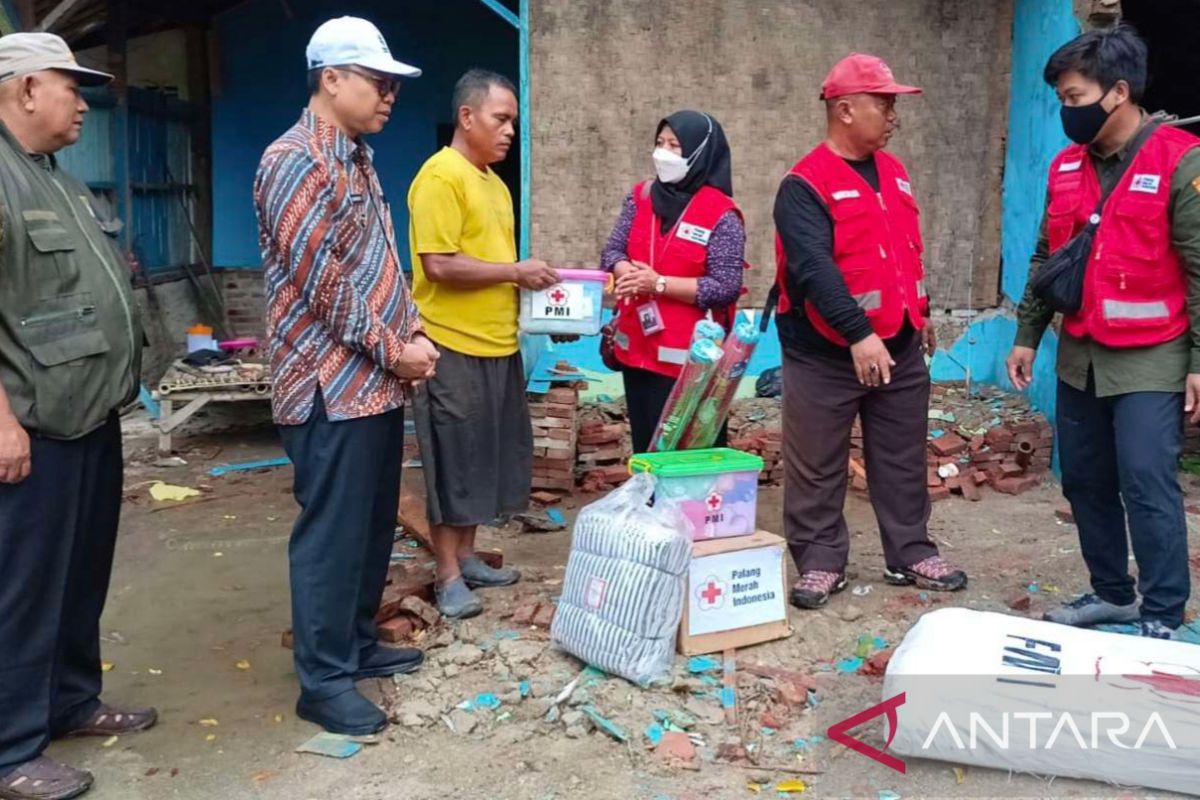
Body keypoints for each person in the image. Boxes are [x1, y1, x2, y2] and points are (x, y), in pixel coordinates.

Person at [254, 16, 438, 736]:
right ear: (331, 79)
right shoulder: (294, 158)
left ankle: (357, 645)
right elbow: (322, 282)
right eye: (377, 80)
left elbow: (380, 264)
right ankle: (323, 680)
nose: (390, 95)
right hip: (329, 384)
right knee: (331, 535)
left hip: (373, 383)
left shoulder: (355, 157)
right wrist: (395, 349)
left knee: (366, 528)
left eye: (393, 84)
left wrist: (412, 328)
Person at [1007, 25, 1200, 639]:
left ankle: (1164, 610)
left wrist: (1199, 361)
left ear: (1118, 92)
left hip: (1153, 356)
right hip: (1080, 353)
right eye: (1061, 100)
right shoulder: (1066, 167)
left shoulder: (1180, 159)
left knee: (1146, 480)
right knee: (1086, 478)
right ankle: (1113, 593)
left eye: (1073, 97)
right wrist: (1026, 335)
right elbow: (1047, 257)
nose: (1067, 111)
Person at [0, 32, 153, 800]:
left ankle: (71, 700)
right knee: (23, 586)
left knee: (80, 573)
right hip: (31, 421)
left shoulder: (53, 175)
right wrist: (0, 422)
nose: (84, 103)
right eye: (70, 85)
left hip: (89, 411)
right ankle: (10, 750)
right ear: (26, 88)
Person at [773, 53, 967, 610]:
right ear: (844, 109)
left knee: (902, 455)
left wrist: (920, 310)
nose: (893, 114)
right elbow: (814, 269)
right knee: (817, 462)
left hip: (899, 342)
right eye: (883, 103)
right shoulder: (803, 184)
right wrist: (859, 334)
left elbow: (904, 252)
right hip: (825, 350)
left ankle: (909, 552)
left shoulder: (896, 172)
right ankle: (819, 561)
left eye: (893, 103)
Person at [408, 69, 557, 619]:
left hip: (497, 344)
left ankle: (468, 557)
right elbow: (439, 264)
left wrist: (540, 305)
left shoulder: (492, 183)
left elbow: (497, 269)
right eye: (501, 118)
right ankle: (446, 575)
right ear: (467, 117)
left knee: (485, 460)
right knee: (454, 463)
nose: (509, 130)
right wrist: (515, 272)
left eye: (513, 121)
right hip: (452, 347)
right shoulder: (440, 177)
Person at [600, 110, 747, 453]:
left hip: (692, 362)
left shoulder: (721, 214)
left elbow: (724, 286)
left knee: (690, 454)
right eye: (659, 143)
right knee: (647, 447)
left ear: (699, 154)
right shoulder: (640, 197)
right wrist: (627, 274)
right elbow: (612, 251)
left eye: (675, 146)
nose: (663, 152)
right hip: (636, 349)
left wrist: (658, 284)